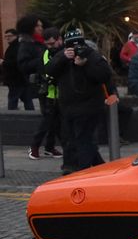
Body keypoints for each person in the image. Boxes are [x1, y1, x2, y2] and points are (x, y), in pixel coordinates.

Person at [45, 29, 113, 174]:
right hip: (68, 108)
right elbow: (49, 70)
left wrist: (85, 64)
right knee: (72, 139)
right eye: (70, 46)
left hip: (89, 107)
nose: (75, 49)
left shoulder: (92, 55)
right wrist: (63, 57)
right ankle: (99, 167)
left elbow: (104, 75)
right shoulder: (61, 56)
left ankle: (80, 170)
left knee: (83, 139)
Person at [28, 27, 64, 161]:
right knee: (47, 121)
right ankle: (34, 146)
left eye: (52, 43)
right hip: (48, 94)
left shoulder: (63, 51)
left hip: (59, 93)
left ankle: (49, 147)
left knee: (55, 122)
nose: (50, 46)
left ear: (59, 39)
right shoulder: (45, 54)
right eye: (47, 44)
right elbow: (44, 72)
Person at [16, 15, 47, 110]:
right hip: (38, 84)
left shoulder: (42, 42)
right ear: (29, 27)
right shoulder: (26, 45)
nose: (40, 28)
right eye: (37, 26)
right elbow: (24, 66)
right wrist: (43, 60)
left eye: (41, 26)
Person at [2, 28, 34, 110]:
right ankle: (31, 115)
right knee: (27, 99)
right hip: (21, 79)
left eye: (10, 36)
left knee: (13, 99)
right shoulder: (14, 46)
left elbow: (16, 62)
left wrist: (3, 62)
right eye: (6, 36)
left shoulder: (16, 47)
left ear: (16, 36)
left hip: (16, 79)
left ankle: (12, 117)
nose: (7, 38)